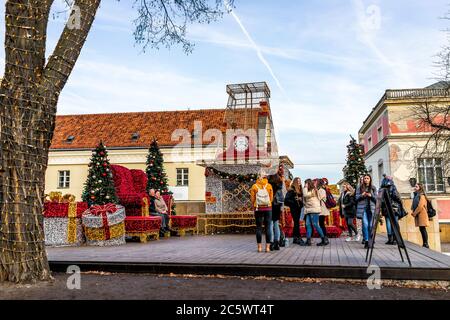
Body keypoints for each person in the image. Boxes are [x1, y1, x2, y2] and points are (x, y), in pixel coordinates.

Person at [250, 171, 274, 253]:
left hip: (258, 209)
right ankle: (267, 248)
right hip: (268, 208)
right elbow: (271, 199)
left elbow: (252, 199)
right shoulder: (269, 186)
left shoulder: (254, 186)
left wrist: (254, 205)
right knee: (268, 228)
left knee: (258, 227)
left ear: (258, 177)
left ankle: (259, 247)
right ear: (265, 177)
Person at [380, 175, 405, 245]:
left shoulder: (382, 188)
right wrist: (400, 202)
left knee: (388, 222)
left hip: (385, 207)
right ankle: (395, 238)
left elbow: (381, 199)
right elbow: (396, 196)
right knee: (395, 222)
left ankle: (390, 239)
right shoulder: (392, 187)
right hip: (394, 207)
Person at [303, 179, 328, 246]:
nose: (305, 185)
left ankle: (324, 239)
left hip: (314, 210)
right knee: (308, 225)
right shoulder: (309, 190)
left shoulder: (313, 190)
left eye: (306, 183)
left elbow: (305, 195)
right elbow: (304, 200)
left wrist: (305, 187)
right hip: (308, 210)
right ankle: (308, 241)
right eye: (305, 183)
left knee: (315, 224)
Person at [356, 174, 377, 249]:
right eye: (365, 178)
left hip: (371, 209)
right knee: (365, 224)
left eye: (367, 178)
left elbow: (377, 200)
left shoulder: (373, 188)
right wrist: (362, 195)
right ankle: (367, 241)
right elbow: (356, 199)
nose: (366, 180)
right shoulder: (359, 188)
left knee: (371, 225)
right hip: (363, 209)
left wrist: (371, 196)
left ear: (370, 179)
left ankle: (371, 241)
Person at [268, 165, 286, 250]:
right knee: (276, 223)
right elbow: (282, 194)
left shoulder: (269, 180)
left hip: (270, 203)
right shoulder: (280, 181)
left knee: (271, 224)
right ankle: (277, 243)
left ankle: (271, 243)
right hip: (278, 204)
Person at [284, 177, 305, 245]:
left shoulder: (300, 190)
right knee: (296, 223)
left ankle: (295, 238)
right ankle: (298, 237)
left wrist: (301, 200)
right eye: (298, 181)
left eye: (300, 181)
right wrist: (294, 201)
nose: (299, 182)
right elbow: (286, 200)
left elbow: (302, 200)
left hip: (299, 208)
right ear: (295, 182)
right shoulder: (291, 190)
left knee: (297, 223)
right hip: (294, 209)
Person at [411, 183, 430, 248]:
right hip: (419, 214)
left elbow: (420, 206)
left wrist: (414, 213)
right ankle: (424, 243)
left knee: (423, 228)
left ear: (420, 188)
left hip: (422, 214)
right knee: (421, 229)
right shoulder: (417, 195)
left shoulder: (422, 195)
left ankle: (426, 243)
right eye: (415, 186)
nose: (415, 188)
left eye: (416, 187)